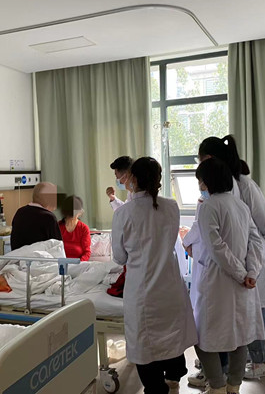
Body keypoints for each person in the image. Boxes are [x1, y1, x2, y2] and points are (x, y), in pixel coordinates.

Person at [111, 157, 197, 394]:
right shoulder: (171, 206)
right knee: (172, 336)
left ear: (133, 178)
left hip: (143, 290)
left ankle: (157, 388)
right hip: (170, 285)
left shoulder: (124, 213)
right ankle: (174, 377)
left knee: (146, 346)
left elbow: (119, 257)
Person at [197, 136, 265, 380]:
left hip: (247, 262)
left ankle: (258, 362)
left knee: (249, 318)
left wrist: (256, 266)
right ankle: (226, 374)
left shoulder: (243, 186)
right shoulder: (220, 200)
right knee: (240, 323)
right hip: (242, 265)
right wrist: (248, 270)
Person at [192, 158, 264, 394]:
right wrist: (251, 272)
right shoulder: (240, 206)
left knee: (203, 338)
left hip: (219, 282)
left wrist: (243, 274)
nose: (200, 185)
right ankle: (234, 385)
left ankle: (217, 386)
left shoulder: (208, 207)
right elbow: (256, 242)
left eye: (200, 180)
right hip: (242, 283)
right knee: (239, 336)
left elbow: (216, 248)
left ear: (207, 181)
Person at [10, 182, 62, 250]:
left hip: (18, 256)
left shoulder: (20, 212)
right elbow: (58, 249)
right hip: (40, 256)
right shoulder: (49, 218)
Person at [58, 195, 91, 261]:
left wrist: (79, 263)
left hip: (79, 264)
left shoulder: (84, 228)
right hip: (61, 264)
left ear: (80, 212)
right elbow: (53, 249)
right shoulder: (58, 227)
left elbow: (87, 252)